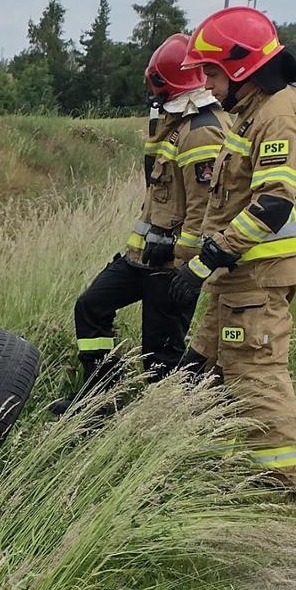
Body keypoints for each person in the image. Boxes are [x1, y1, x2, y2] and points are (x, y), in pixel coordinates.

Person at [168, 7, 296, 489]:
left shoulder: (278, 117)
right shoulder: (254, 113)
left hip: (258, 278)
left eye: (211, 72)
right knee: (204, 369)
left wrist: (206, 261)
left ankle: (283, 484)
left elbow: (271, 208)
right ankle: (202, 466)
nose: (207, 85)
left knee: (256, 378)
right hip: (238, 279)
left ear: (240, 67)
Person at [51, 34, 227, 414]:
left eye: (159, 90)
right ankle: (100, 396)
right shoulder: (171, 122)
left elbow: (205, 210)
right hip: (142, 257)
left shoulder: (203, 129)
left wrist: (184, 261)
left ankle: (181, 419)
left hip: (173, 266)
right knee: (91, 307)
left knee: (160, 359)